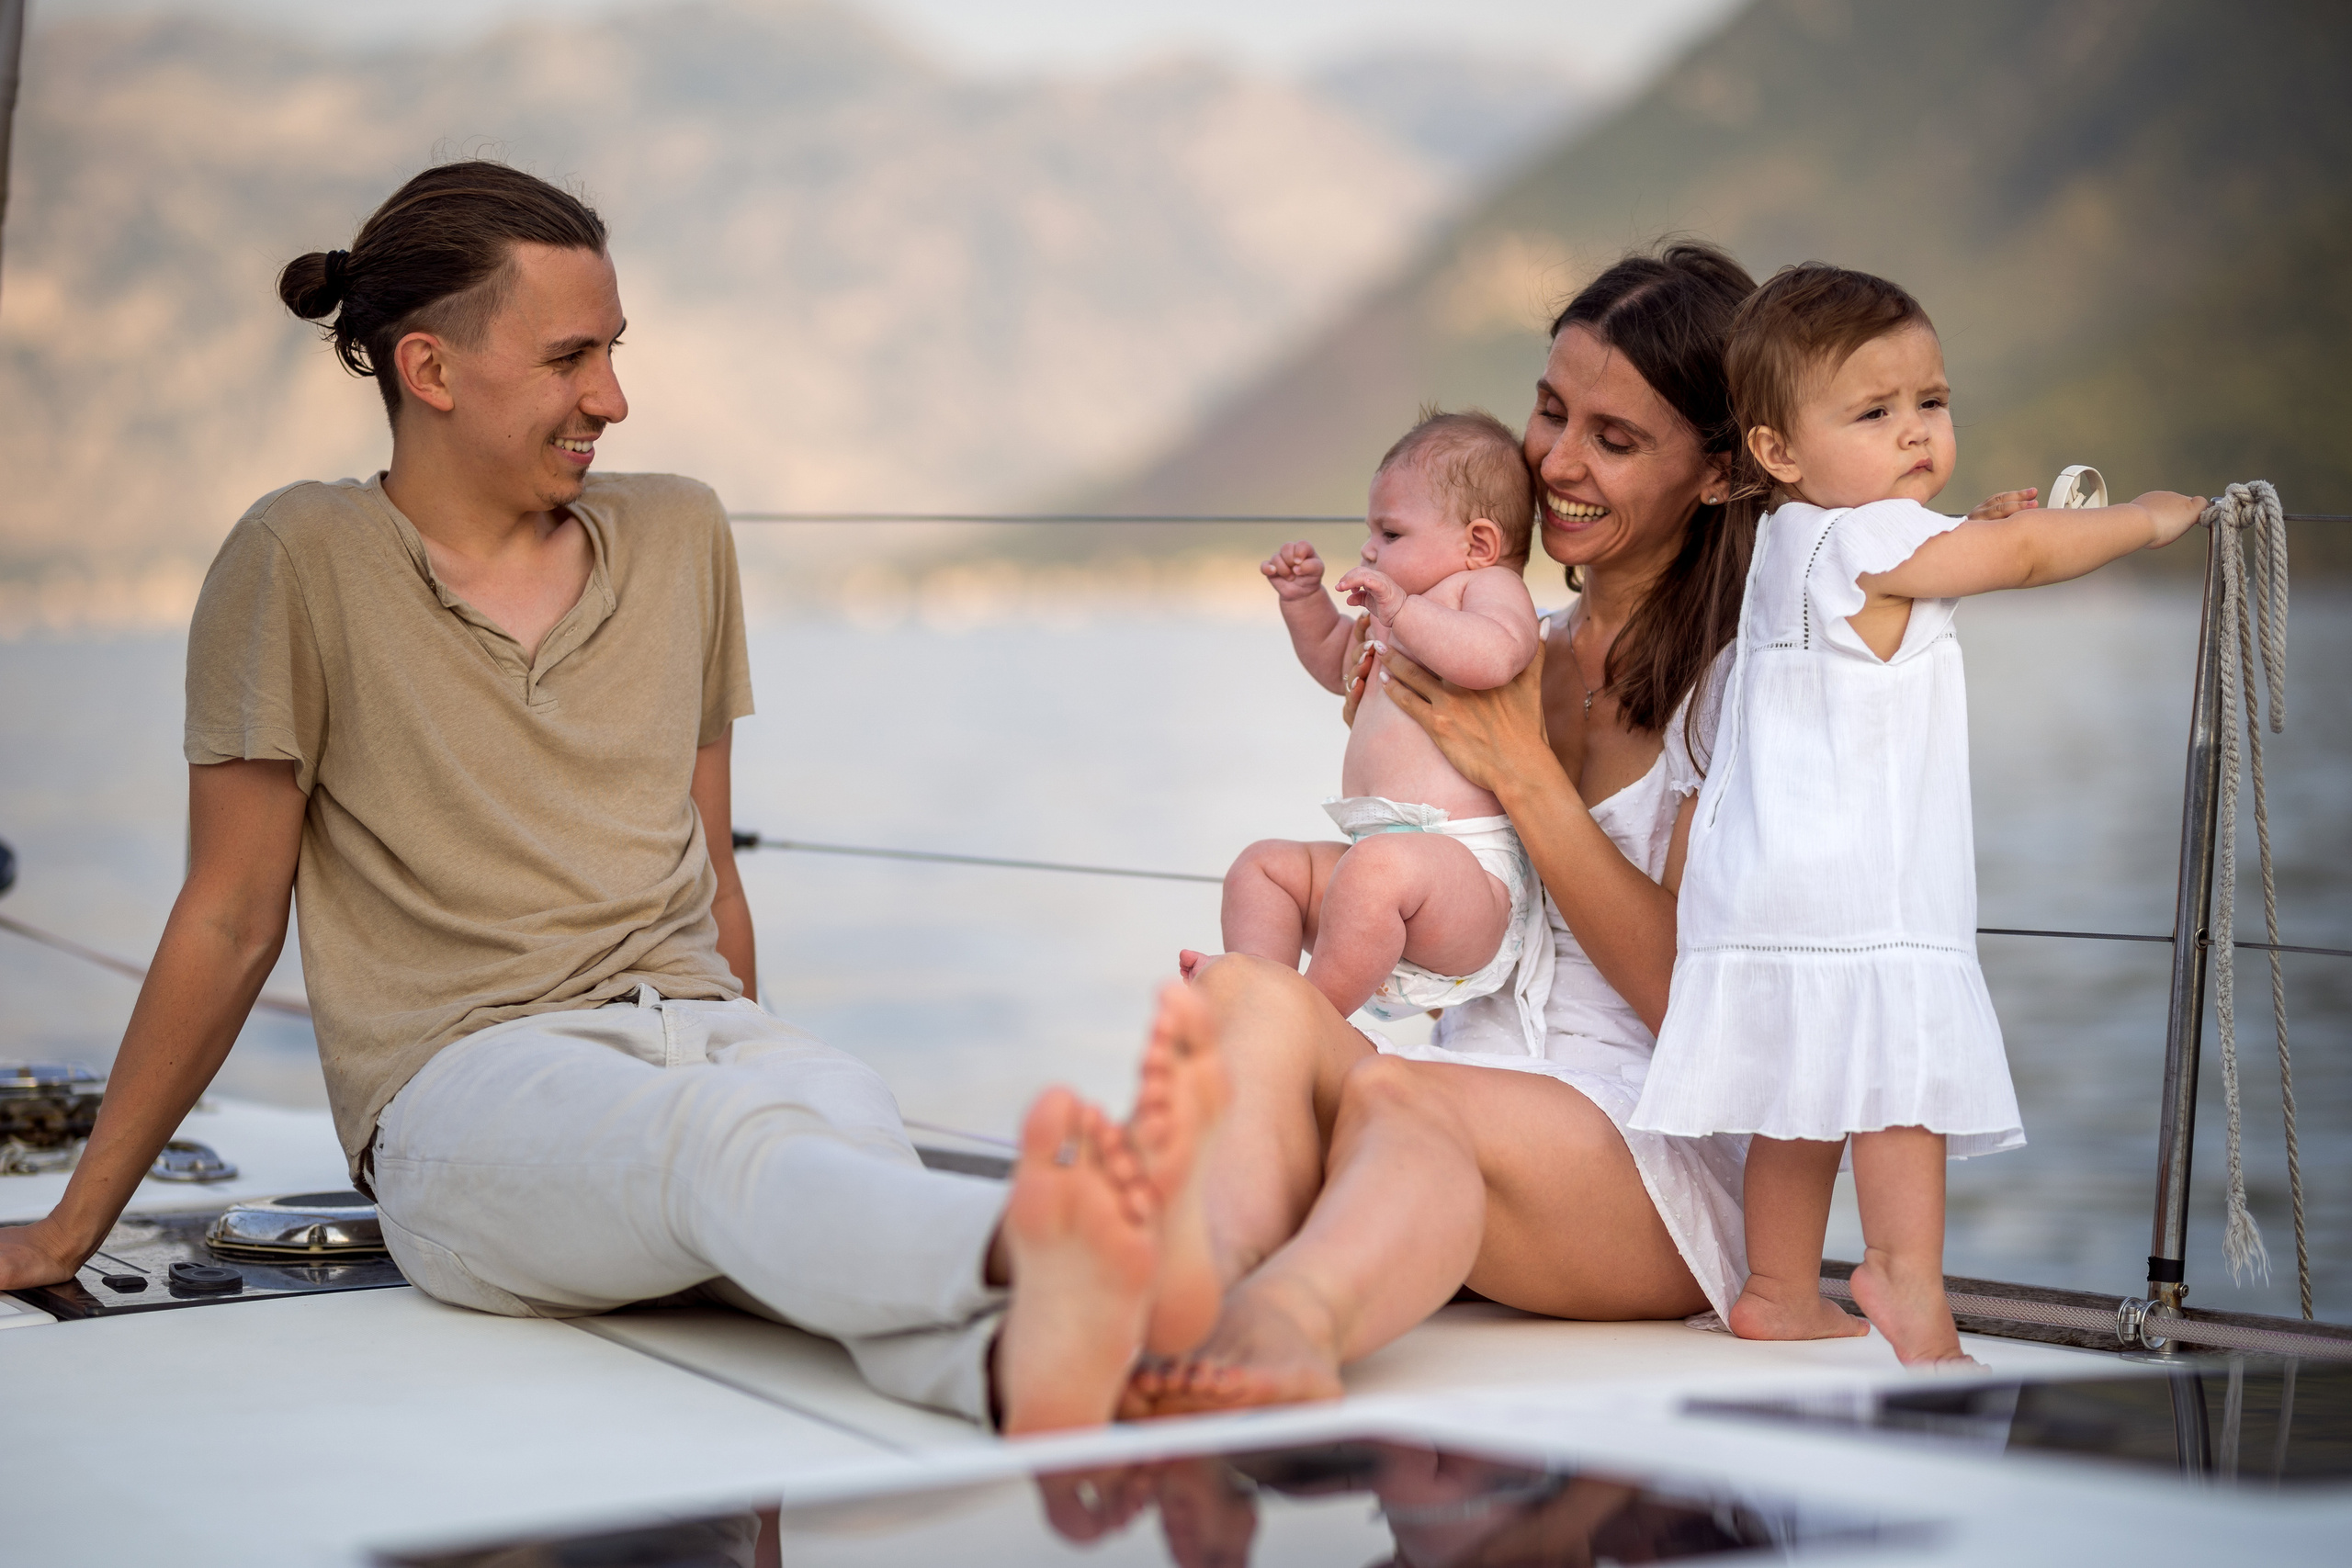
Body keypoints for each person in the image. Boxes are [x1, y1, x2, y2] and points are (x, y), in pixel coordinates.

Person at [0, 160, 1226, 1435]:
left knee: (817, 1142)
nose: (614, 398)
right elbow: (230, 914)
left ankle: (1034, 1368)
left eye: (616, 351)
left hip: (717, 1040)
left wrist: (757, 1060)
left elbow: (714, 872)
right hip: (468, 1090)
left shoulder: (682, 534)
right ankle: (1087, 1243)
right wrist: (72, 1224)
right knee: (723, 1151)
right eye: (571, 357)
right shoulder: (297, 559)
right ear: (430, 371)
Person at [1126, 243, 1768, 1415]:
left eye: (1614, 441)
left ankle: (1284, 1325)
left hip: (1640, 1169)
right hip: (1456, 1093)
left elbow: (1700, 1011)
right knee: (1241, 1000)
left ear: (1719, 474)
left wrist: (1525, 776)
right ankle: (1189, 1291)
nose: (1558, 464)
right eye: (1549, 410)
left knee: (1397, 1097)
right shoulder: (1484, 633)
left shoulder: (1737, 691)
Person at [1633, 263, 2205, 1363]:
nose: (1914, 434)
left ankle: (1776, 1285)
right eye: (1874, 412)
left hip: (1769, 881)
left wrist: (1958, 531)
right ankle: (1900, 1273)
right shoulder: (1866, 544)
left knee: (1798, 1086)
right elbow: (2029, 554)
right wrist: (2142, 521)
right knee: (1897, 1070)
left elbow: (1937, 566)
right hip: (1864, 880)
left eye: (1930, 404)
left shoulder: (1792, 542)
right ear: (1776, 452)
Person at [1216, 410, 1546, 1037]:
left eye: (1391, 533)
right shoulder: (1394, 618)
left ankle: (1302, 1024)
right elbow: (1335, 661)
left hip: (1467, 874)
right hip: (1378, 872)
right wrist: (1305, 603)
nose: (1370, 548)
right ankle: (1256, 1000)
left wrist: (1405, 611)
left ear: (1478, 544)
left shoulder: (1483, 589)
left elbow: (1497, 653)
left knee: (1375, 872)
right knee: (1261, 869)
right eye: (1371, 532)